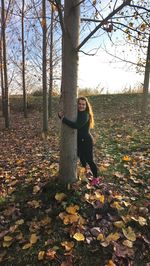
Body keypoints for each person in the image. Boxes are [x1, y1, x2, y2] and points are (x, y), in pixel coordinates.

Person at [58, 96, 98, 178]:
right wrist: (61, 116)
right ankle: (86, 171)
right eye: (79, 104)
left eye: (83, 104)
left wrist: (63, 118)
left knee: (89, 160)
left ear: (86, 105)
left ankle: (96, 178)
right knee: (81, 156)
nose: (81, 106)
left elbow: (76, 125)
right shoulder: (76, 112)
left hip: (86, 140)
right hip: (79, 140)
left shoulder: (85, 115)